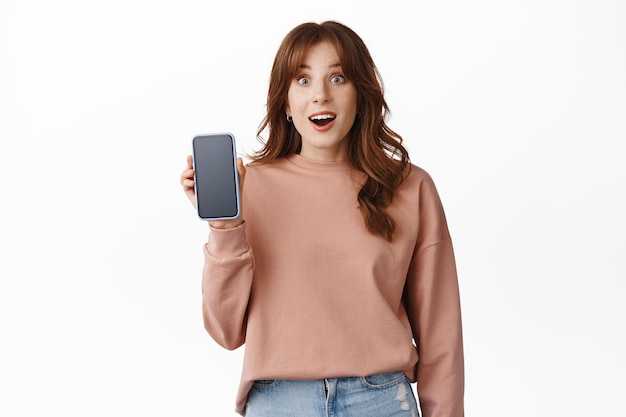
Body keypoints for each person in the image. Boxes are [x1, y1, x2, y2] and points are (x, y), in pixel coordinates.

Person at [180, 20, 464, 417]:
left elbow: (440, 334)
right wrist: (226, 227)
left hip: (382, 401)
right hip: (278, 402)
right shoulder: (250, 187)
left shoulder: (409, 188)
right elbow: (226, 332)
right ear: (284, 102)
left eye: (338, 77)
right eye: (302, 80)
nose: (320, 96)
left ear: (361, 94)